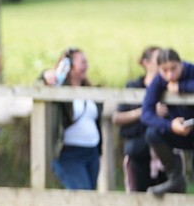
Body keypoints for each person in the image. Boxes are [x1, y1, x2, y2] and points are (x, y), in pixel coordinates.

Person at [112, 46, 166, 192]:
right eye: (159, 59)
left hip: (163, 155)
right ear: (146, 63)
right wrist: (146, 112)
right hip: (137, 151)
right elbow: (117, 117)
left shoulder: (169, 88)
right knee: (138, 196)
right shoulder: (133, 87)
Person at [141, 48, 194, 195]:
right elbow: (146, 114)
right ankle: (175, 178)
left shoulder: (191, 70)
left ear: (181, 64)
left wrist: (182, 87)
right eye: (165, 70)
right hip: (178, 130)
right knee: (152, 134)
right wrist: (171, 125)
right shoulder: (159, 80)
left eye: (173, 69)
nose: (170, 74)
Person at [47, 47, 101, 190]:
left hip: (92, 152)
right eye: (82, 62)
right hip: (70, 153)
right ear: (70, 66)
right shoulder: (60, 90)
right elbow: (40, 85)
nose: (86, 66)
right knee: (82, 195)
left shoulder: (90, 90)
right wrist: (48, 75)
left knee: (89, 196)